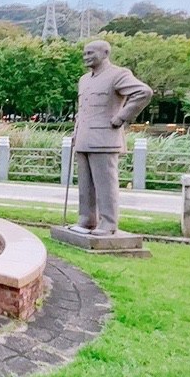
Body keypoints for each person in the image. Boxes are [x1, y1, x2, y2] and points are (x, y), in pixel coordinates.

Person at [70, 40, 153, 235]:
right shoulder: (84, 79)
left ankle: (108, 222)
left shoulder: (118, 74)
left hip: (104, 138)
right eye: (84, 53)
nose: (86, 57)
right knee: (85, 185)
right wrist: (76, 131)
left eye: (90, 53)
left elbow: (143, 92)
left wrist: (121, 117)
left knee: (106, 184)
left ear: (105, 52)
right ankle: (86, 220)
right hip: (84, 137)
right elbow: (83, 110)